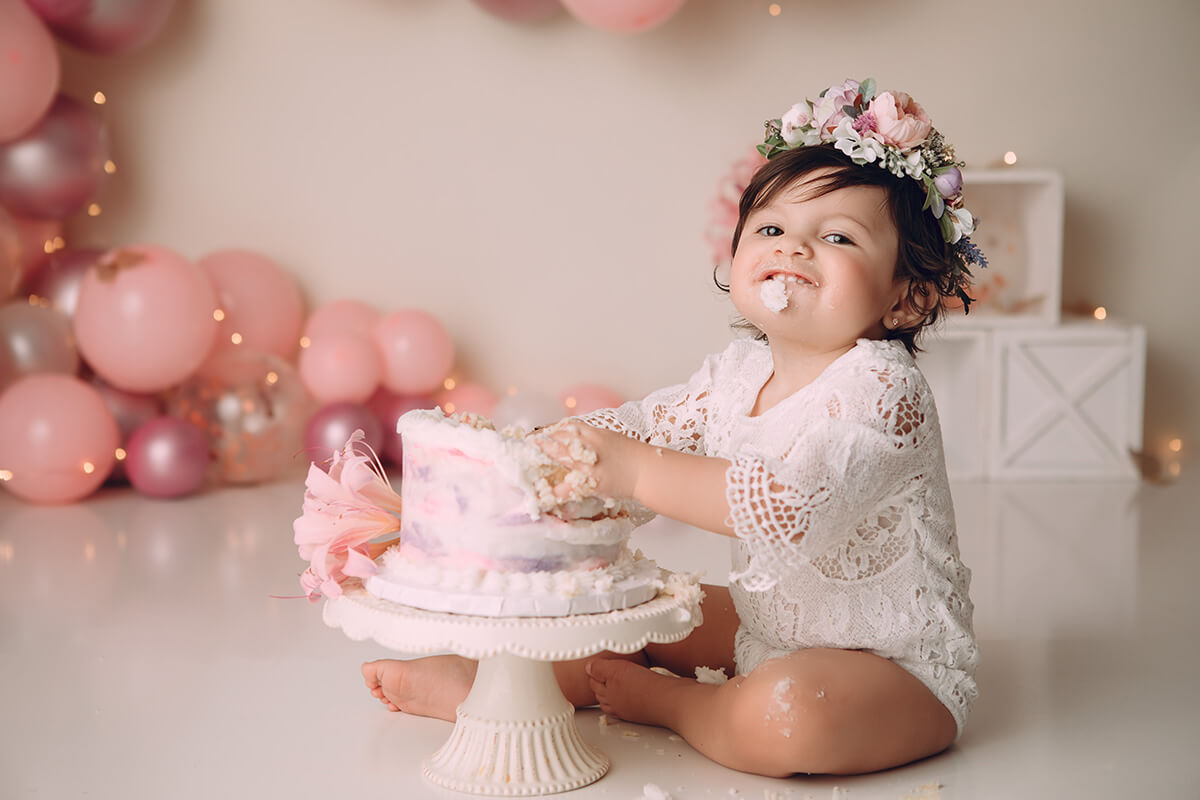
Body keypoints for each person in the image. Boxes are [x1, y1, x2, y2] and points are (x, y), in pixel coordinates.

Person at [362, 77, 983, 777]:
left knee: (789, 712)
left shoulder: (885, 391)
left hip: (891, 670)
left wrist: (632, 470)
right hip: (768, 631)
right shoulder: (738, 375)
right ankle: (492, 684)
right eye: (772, 229)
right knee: (645, 614)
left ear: (909, 297)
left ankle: (683, 708)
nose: (794, 248)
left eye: (836, 237)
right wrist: (545, 455)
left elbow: (790, 508)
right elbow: (646, 425)